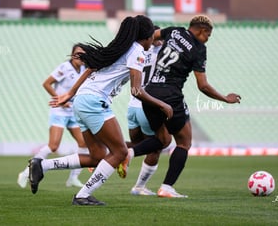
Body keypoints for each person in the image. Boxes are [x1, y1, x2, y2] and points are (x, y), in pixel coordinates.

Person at [28, 15, 173, 206]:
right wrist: (161, 104)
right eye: (151, 39)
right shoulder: (136, 51)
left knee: (97, 156)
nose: (152, 42)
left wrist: (71, 93)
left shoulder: (119, 47)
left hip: (82, 100)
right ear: (146, 37)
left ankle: (42, 164)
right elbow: (136, 90)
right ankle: (82, 195)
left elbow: (91, 68)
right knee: (120, 152)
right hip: (94, 102)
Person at [118, 15, 241, 198]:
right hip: (171, 96)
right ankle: (167, 187)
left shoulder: (174, 31)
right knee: (184, 142)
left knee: (162, 140)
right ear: (201, 30)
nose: (207, 39)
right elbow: (203, 86)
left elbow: (151, 35)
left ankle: (129, 152)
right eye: (208, 35)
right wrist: (225, 98)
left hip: (150, 93)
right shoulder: (199, 49)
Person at [17, 44, 88, 189]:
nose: (80, 57)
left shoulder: (83, 69)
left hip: (73, 111)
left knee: (84, 144)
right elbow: (47, 83)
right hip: (60, 111)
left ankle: (73, 179)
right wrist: (59, 100)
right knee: (54, 146)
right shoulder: (64, 68)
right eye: (77, 54)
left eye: (83, 54)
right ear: (72, 55)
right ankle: (26, 172)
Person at [126, 30, 163, 196]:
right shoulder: (159, 55)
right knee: (155, 147)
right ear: (152, 39)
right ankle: (139, 187)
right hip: (146, 107)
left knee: (137, 145)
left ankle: (105, 150)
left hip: (132, 107)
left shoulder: (135, 53)